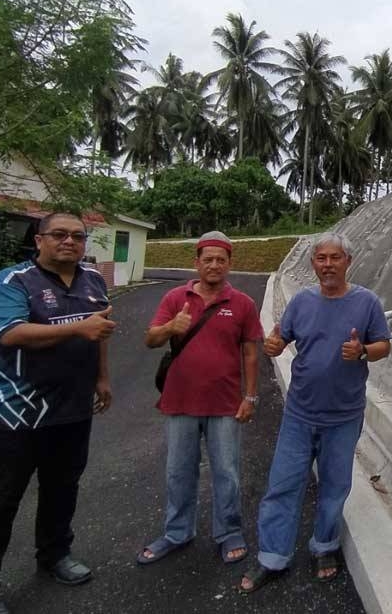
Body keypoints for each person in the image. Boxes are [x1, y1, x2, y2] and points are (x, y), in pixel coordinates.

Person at [0, 213, 115, 614]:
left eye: (77, 235)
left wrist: (102, 378)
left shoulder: (93, 280)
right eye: (59, 234)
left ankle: (54, 555)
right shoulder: (12, 281)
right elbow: (12, 333)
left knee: (62, 489)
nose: (69, 241)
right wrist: (77, 329)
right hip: (18, 415)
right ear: (39, 240)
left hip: (72, 411)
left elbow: (99, 330)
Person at [239, 232, 391, 593]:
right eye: (321, 258)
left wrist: (363, 352)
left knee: (335, 485)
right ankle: (272, 557)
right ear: (313, 264)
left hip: (344, 414)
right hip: (300, 413)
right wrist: (273, 346)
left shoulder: (366, 302)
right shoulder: (302, 302)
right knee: (282, 484)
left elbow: (384, 345)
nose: (327, 264)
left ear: (348, 262)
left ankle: (324, 546)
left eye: (334, 258)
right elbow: (280, 340)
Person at [137, 231, 262, 566]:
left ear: (229, 264)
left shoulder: (243, 304)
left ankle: (229, 531)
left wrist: (250, 396)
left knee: (227, 472)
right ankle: (177, 532)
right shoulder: (175, 298)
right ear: (196, 263)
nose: (214, 265)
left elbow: (251, 352)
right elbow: (150, 339)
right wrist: (169, 328)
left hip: (224, 403)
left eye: (221, 259)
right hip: (180, 401)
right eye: (207, 259)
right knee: (179, 471)